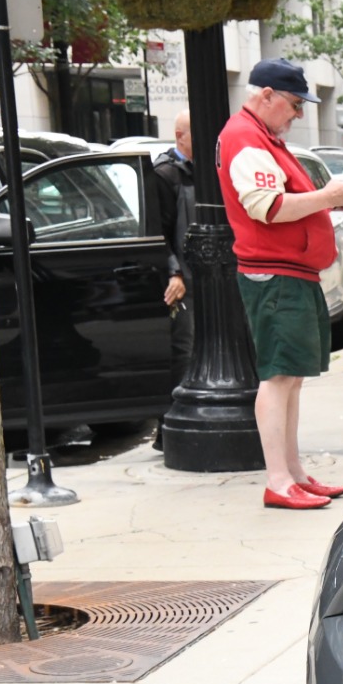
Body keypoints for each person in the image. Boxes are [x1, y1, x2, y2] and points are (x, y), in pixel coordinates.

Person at [218, 59, 343, 509]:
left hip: (290, 271)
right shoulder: (246, 139)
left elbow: (279, 203)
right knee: (280, 376)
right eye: (294, 104)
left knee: (290, 377)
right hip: (276, 272)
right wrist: (329, 197)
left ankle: (292, 474)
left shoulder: (261, 138)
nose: (298, 114)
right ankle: (279, 480)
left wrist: (329, 203)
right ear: (266, 95)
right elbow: (266, 207)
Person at [150, 110, 194, 451]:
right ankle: (172, 429)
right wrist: (174, 272)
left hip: (209, 280)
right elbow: (159, 232)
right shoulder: (166, 175)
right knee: (184, 352)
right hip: (184, 281)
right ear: (180, 136)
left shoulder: (208, 171)